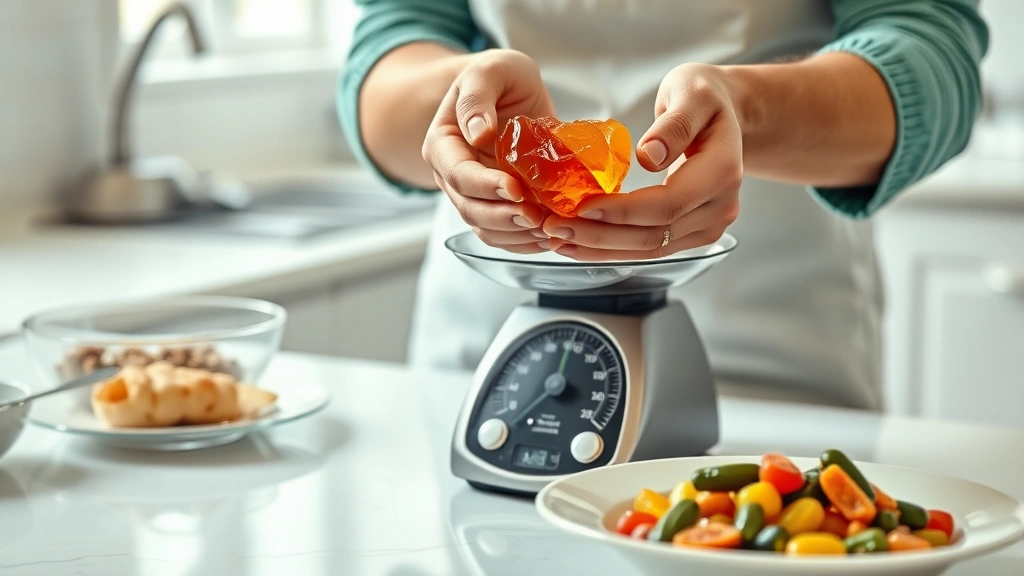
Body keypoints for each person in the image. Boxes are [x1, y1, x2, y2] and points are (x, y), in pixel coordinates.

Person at [339, 0, 987, 409]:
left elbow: (936, 56)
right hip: (486, 357)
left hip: (769, 359)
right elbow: (389, 44)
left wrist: (749, 110)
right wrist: (465, 110)